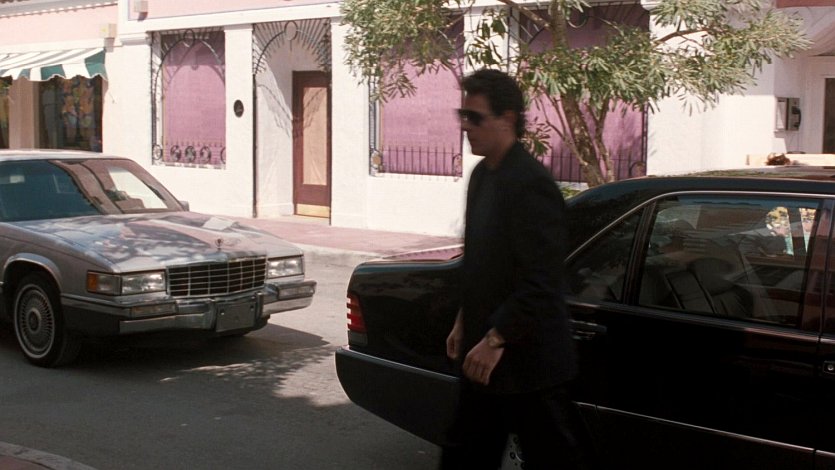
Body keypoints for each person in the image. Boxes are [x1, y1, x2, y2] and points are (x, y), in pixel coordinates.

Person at [443, 68, 586, 469]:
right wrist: (463, 320)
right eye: (462, 116)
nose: (466, 126)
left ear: (506, 119)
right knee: (463, 455)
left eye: (475, 117)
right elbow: (481, 264)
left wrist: (496, 339)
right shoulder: (481, 177)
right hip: (482, 357)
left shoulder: (531, 183)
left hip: (530, 363)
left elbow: (542, 280)